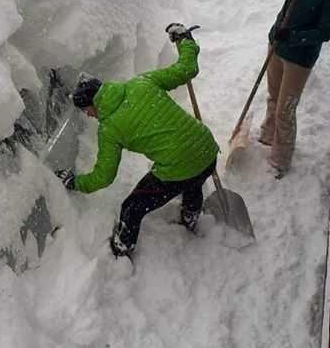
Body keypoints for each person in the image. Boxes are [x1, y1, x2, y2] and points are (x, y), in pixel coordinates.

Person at [55, 25, 219, 259]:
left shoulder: (110, 129)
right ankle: (191, 216)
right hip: (206, 149)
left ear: (91, 104)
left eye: (86, 111)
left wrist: (75, 182)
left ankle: (121, 251)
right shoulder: (142, 82)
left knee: (132, 208)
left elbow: (104, 177)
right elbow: (187, 68)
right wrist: (185, 40)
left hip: (177, 167)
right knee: (194, 181)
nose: (89, 115)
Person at [259, 0, 330, 178]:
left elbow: (325, 31)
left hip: (299, 58)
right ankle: (268, 135)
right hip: (277, 46)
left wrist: (294, 37)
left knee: (286, 109)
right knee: (273, 96)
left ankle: (281, 160)